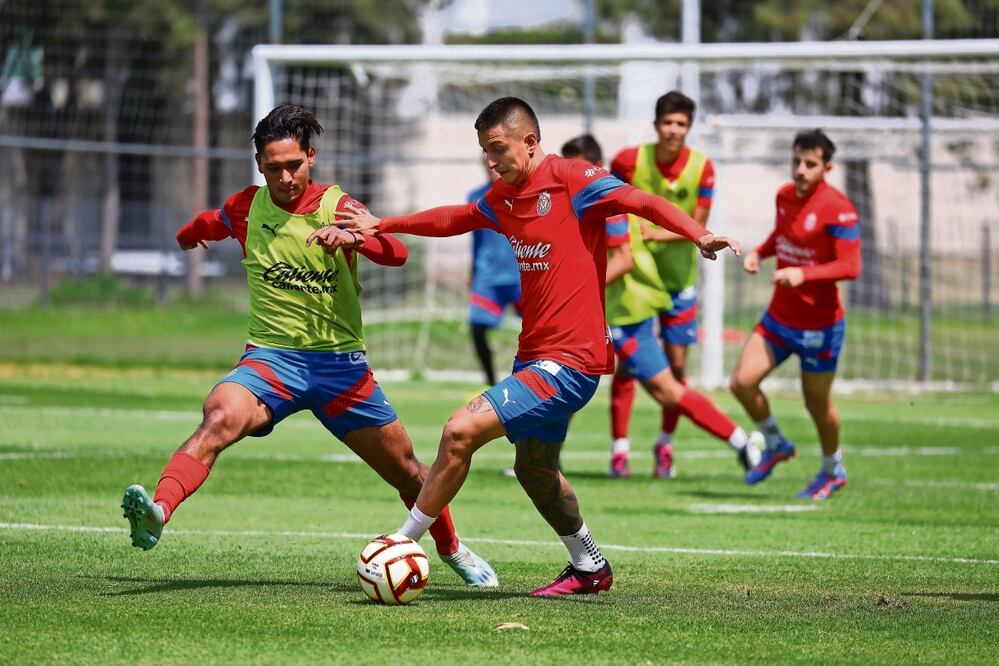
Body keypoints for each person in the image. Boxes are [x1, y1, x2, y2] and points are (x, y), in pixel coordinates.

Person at [316, 97, 741, 596]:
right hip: (535, 355)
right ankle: (590, 566)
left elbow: (642, 201)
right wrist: (383, 225)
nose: (490, 162)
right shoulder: (503, 196)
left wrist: (698, 233)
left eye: (498, 150)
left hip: (571, 361)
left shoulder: (573, 179)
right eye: (484, 152)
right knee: (534, 470)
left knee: (459, 430)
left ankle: (403, 542)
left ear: (531, 142)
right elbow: (456, 217)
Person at [119, 104, 498, 587]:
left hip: (340, 369)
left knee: (408, 472)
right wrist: (188, 234)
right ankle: (158, 509)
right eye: (273, 168)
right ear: (259, 165)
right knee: (220, 416)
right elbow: (210, 221)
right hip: (270, 361)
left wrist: (353, 239)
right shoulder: (247, 207)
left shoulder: (338, 206)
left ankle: (452, 549)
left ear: (311, 157)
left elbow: (397, 252)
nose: (285, 177)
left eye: (294, 165)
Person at [561, 134, 760, 479]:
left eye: (573, 167)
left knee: (668, 390)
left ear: (593, 167)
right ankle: (566, 458)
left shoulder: (603, 202)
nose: (565, 176)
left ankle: (741, 441)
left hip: (626, 313)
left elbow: (622, 260)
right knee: (569, 377)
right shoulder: (587, 201)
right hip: (616, 311)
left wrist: (574, 290)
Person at [730, 129, 861, 500]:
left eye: (810, 164)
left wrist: (804, 274)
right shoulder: (784, 196)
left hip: (820, 326)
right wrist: (761, 251)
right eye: (797, 161)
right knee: (741, 382)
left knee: (816, 404)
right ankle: (775, 444)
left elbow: (850, 266)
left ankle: (832, 469)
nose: (801, 170)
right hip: (779, 318)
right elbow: (782, 236)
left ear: (827, 167)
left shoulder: (839, 209)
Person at [609, 91, 716, 478]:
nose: (674, 130)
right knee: (628, 365)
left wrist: (648, 231)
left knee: (675, 368)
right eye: (668, 122)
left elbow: (697, 225)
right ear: (656, 125)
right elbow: (610, 206)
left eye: (681, 124)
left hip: (678, 284)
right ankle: (619, 448)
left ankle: (664, 445)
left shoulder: (703, 168)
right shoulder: (627, 161)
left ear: (689, 128)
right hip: (635, 281)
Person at [467, 155, 521, 386]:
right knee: (476, 327)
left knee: (538, 332)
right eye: (485, 162)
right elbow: (476, 240)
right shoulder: (475, 197)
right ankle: (491, 384)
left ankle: (527, 381)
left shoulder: (523, 194)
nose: (490, 167)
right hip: (488, 277)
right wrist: (472, 271)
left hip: (521, 276)